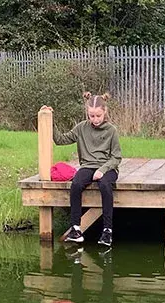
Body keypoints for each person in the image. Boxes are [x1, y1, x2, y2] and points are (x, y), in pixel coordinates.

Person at [44, 93, 122, 247]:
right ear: (87, 113)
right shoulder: (81, 128)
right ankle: (75, 229)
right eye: (91, 116)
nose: (95, 119)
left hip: (107, 167)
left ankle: (107, 231)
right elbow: (61, 140)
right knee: (76, 184)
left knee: (105, 185)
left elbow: (116, 157)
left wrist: (102, 170)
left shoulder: (111, 130)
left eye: (98, 115)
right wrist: (50, 119)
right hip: (88, 166)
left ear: (104, 112)